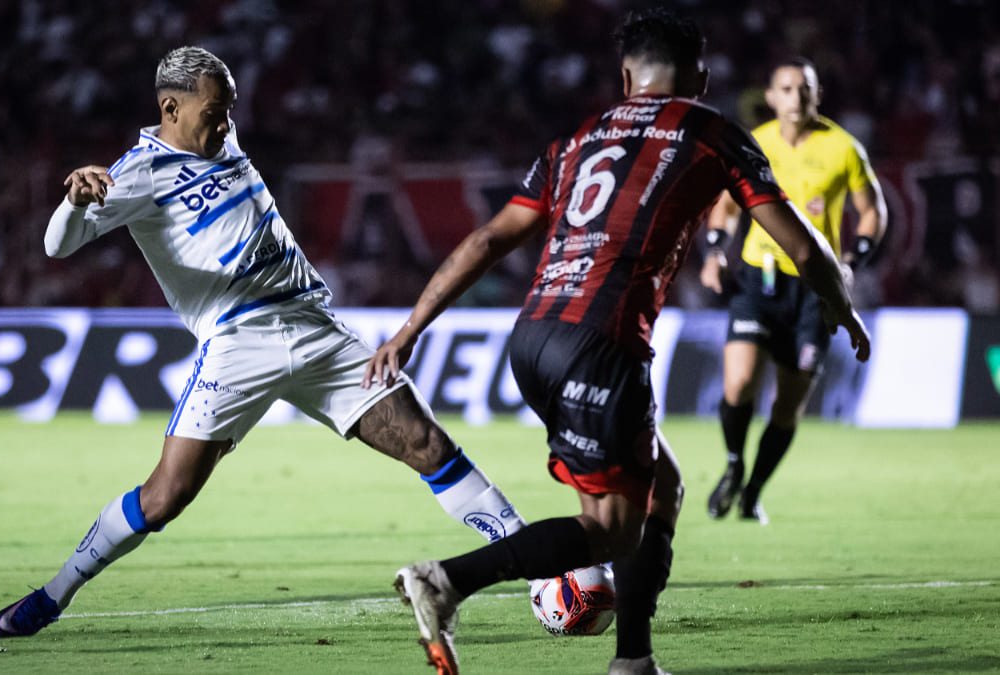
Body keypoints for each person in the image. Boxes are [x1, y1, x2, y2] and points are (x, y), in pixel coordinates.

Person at [367, 9, 871, 675]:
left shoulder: (576, 138)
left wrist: (410, 328)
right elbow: (804, 247)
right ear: (702, 76)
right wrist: (846, 310)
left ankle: (633, 659)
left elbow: (489, 240)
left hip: (534, 337)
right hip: (601, 344)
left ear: (626, 74)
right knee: (610, 526)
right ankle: (446, 579)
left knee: (659, 488)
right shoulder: (711, 132)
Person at [0, 46, 531, 639]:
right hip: (237, 343)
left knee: (428, 443)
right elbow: (56, 246)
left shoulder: (224, 141)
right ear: (170, 107)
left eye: (229, 111)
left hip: (316, 328)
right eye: (214, 112)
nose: (224, 123)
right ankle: (53, 594)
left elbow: (221, 144)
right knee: (163, 498)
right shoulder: (139, 175)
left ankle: (540, 567)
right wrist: (72, 201)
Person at [701, 57, 887, 525]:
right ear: (771, 97)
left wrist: (850, 263)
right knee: (740, 382)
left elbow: (873, 212)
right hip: (758, 277)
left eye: (805, 88)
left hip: (814, 289)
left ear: (817, 95)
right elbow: (723, 207)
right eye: (786, 88)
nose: (796, 97)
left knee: (788, 405)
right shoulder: (755, 144)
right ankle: (732, 464)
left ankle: (753, 492)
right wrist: (715, 250)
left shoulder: (843, 148)